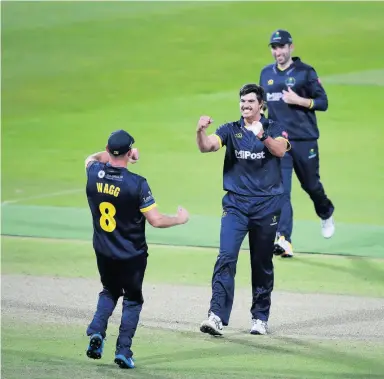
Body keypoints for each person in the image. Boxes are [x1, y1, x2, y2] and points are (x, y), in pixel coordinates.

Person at [84, 129, 189, 369]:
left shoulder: (92, 173)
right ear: (130, 152)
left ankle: (97, 333)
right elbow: (156, 220)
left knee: (109, 291)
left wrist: (116, 153)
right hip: (132, 254)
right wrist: (180, 219)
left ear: (109, 150)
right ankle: (123, 351)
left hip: (103, 250)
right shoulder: (137, 184)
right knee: (132, 299)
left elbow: (91, 158)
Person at [196, 83, 290, 336]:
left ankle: (260, 318)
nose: (245, 105)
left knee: (261, 263)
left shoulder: (274, 127)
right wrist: (200, 132)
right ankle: (215, 316)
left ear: (261, 105)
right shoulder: (230, 129)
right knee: (226, 257)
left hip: (267, 206)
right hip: (236, 205)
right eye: (242, 102)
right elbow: (208, 146)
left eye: (250, 102)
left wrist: (262, 137)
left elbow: (280, 150)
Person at [259, 29, 335, 258]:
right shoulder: (265, 74)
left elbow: (323, 102)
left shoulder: (305, 72)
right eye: (274, 47)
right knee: (281, 191)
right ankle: (284, 239)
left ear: (291, 47)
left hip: (304, 139)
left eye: (281, 47)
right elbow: (263, 103)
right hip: (279, 142)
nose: (278, 51)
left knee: (311, 185)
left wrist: (298, 100)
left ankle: (325, 211)